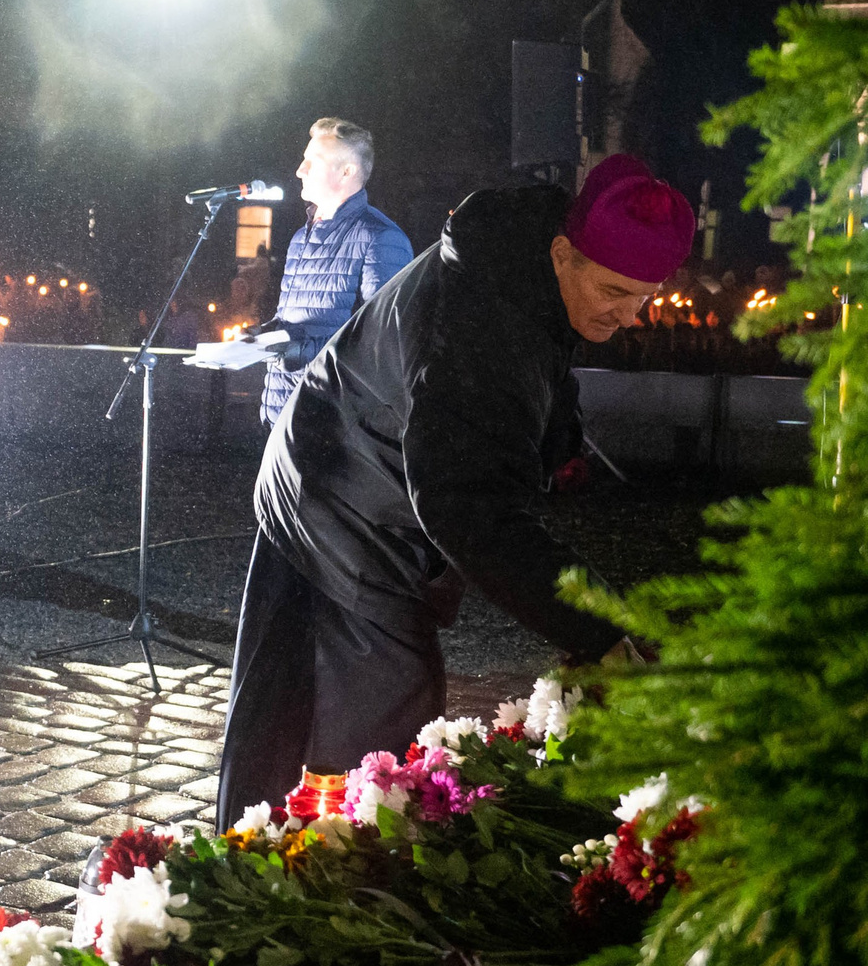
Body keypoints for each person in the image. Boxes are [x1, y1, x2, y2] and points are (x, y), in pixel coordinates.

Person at [213, 154, 696, 826]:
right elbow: (471, 509)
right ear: (564, 253)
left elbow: (541, 364)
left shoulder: (523, 267)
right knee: (386, 740)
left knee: (302, 707)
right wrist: (599, 628)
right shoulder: (483, 324)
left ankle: (272, 858)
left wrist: (558, 436)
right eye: (616, 292)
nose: (630, 315)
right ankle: (309, 882)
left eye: (644, 297)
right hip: (342, 498)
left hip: (341, 474)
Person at [242, 118, 414, 424]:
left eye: (312, 162)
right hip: (282, 413)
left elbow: (383, 341)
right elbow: (301, 319)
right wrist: (263, 336)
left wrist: (296, 352)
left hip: (333, 421)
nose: (300, 170)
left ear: (347, 171)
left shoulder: (382, 238)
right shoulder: (300, 238)